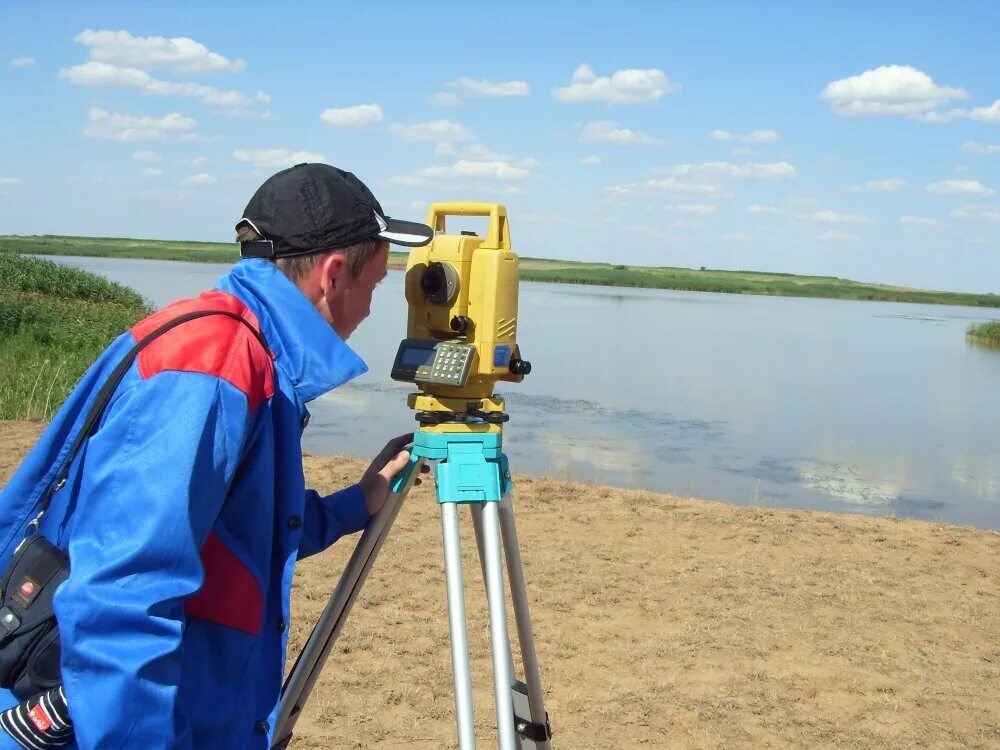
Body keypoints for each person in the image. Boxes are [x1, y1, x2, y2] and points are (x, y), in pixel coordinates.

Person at [0, 163, 434, 749]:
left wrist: (358, 502)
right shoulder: (211, 365)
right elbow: (123, 598)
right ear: (333, 275)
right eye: (376, 285)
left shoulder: (250, 353)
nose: (370, 308)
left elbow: (239, 533)